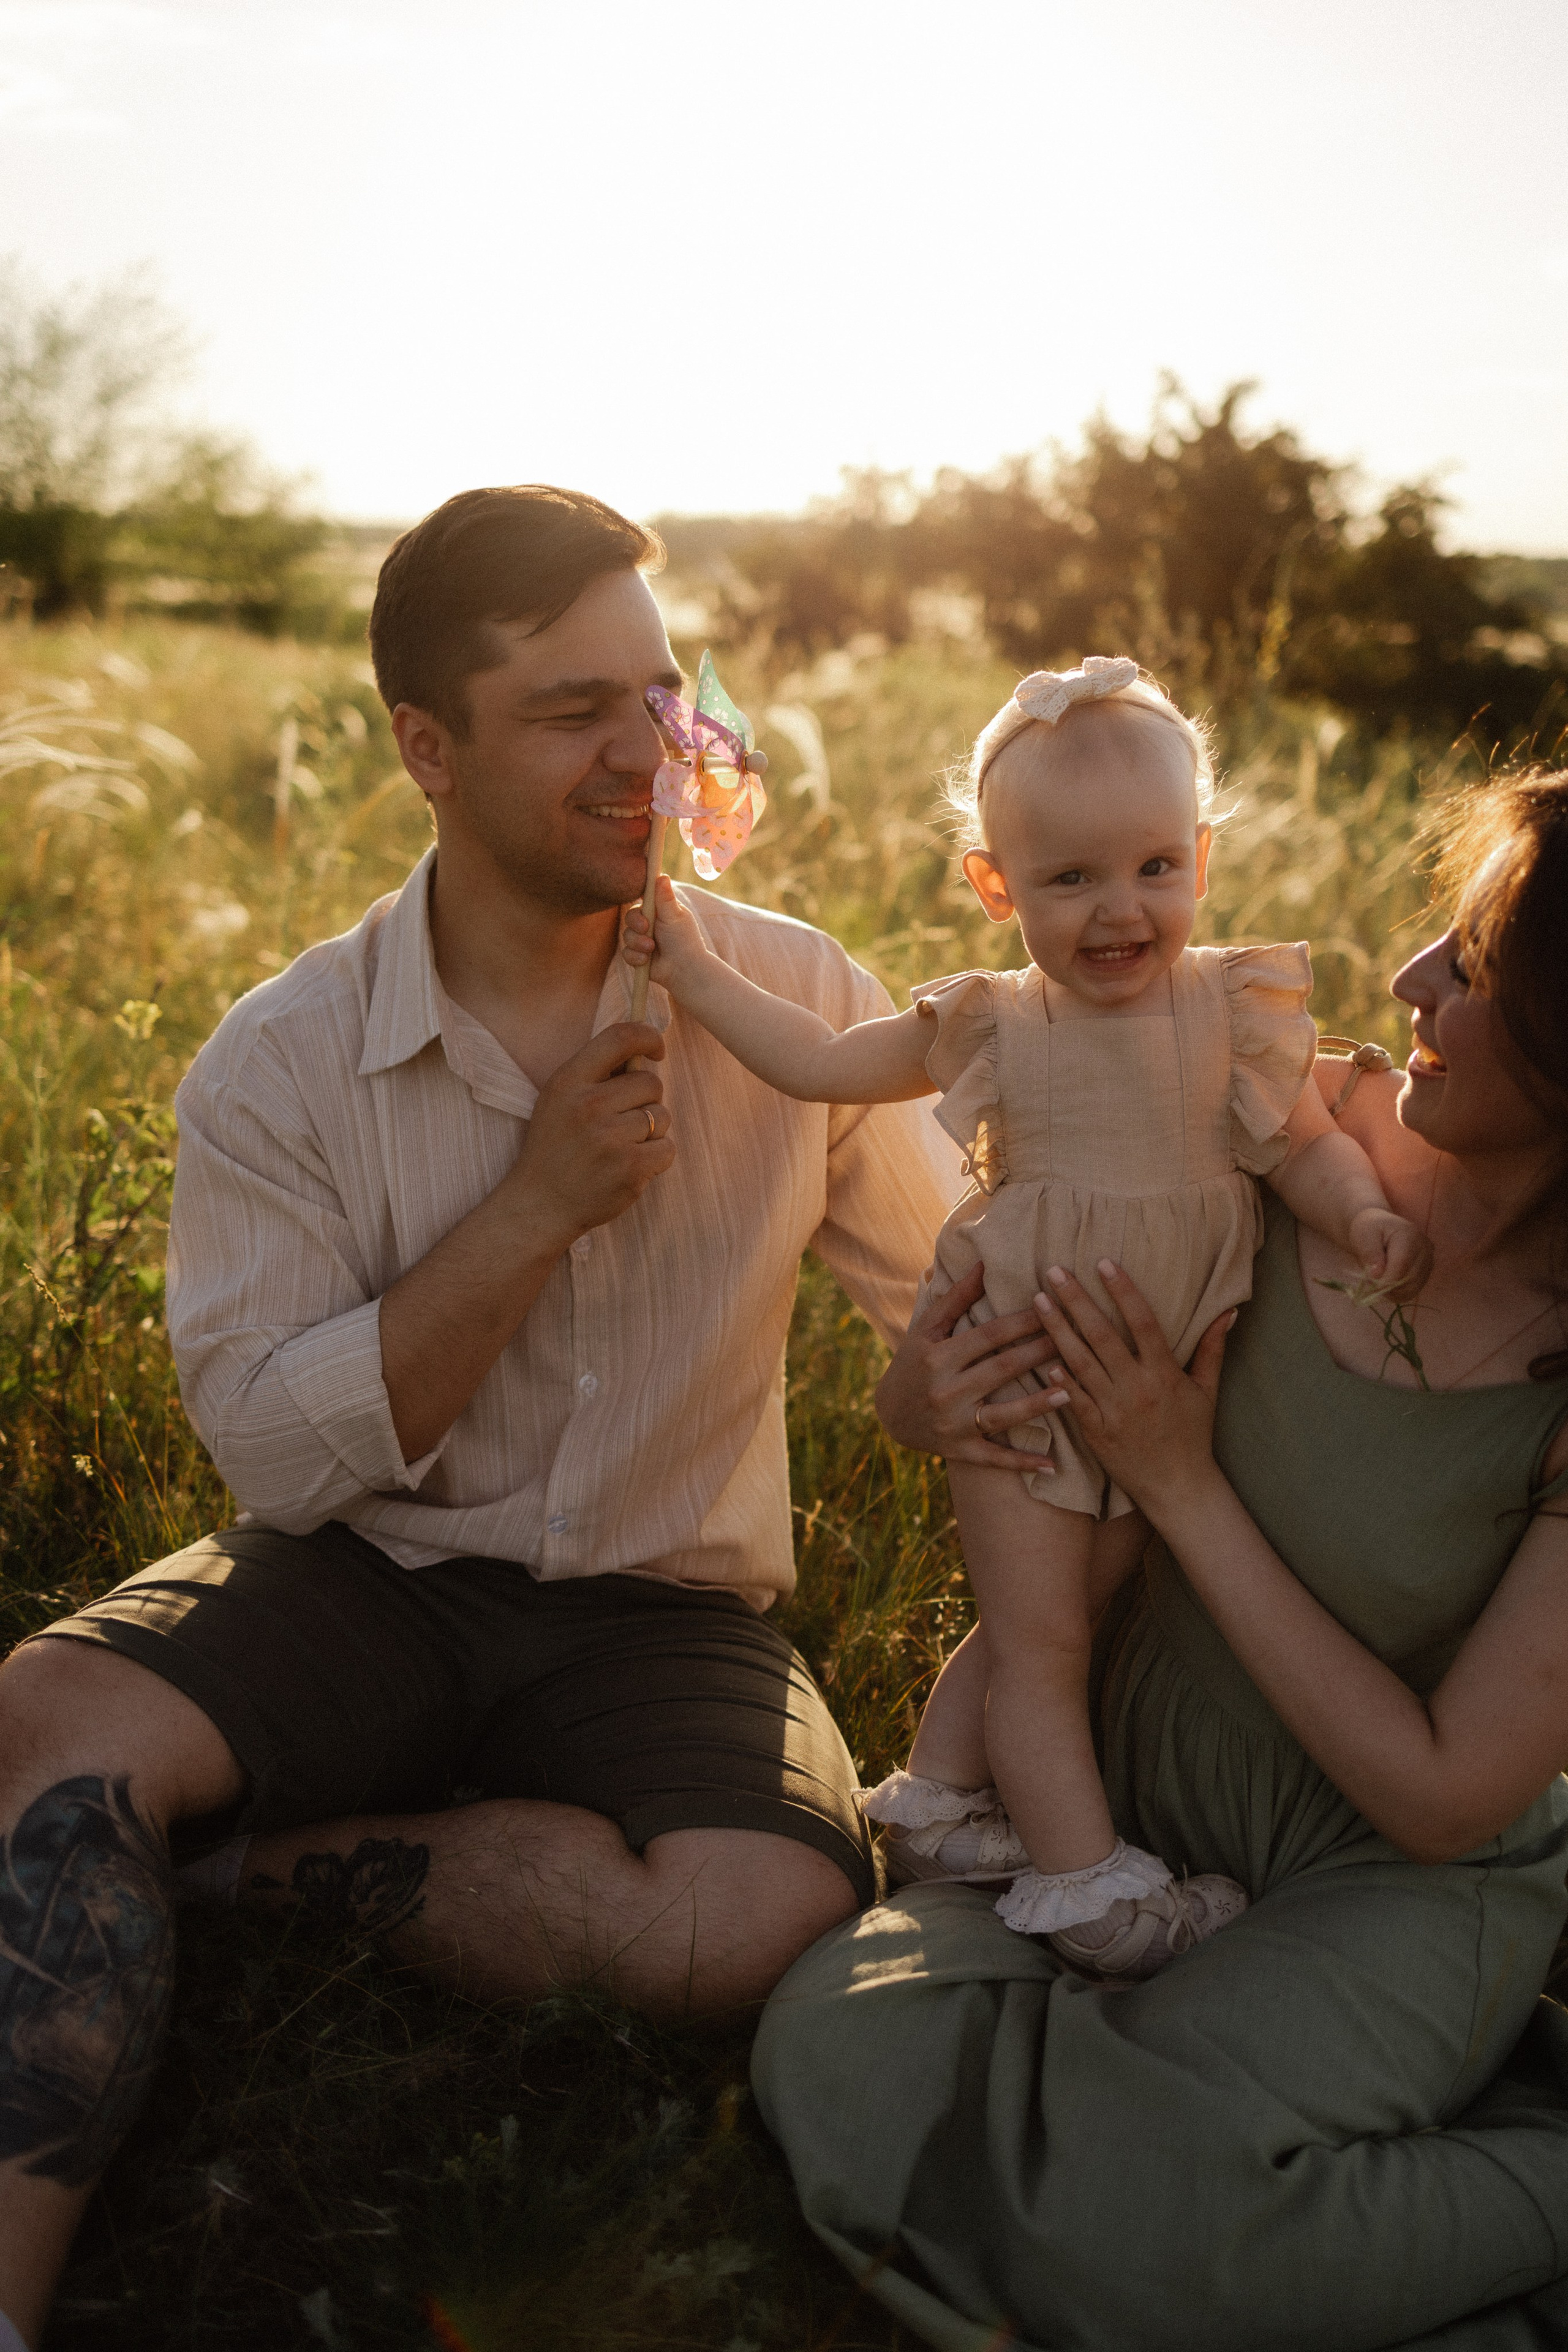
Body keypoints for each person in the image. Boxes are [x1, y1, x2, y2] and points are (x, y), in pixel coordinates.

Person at [0, 485, 961, 2350]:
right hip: (368, 1568)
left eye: (663, 696)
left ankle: (240, 1869)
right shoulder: (281, 1063)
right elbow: (277, 1464)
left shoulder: (800, 1000)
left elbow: (951, 1301)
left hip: (667, 1605)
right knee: (46, 1723)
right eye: (574, 709)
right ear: (423, 748)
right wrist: (530, 1208)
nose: (648, 754)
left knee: (761, 1910)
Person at [752, 763, 1568, 2352]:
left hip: (1382, 1879)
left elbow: (1446, 1792)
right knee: (829, 2047)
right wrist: (931, 1385)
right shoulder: (1285, 1117)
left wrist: (1185, 1485)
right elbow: (993, 1371)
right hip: (1119, 1796)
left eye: (1467, 965)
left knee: (1144, 2208)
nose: (1405, 979)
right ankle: (1233, 2165)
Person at [622, 655, 1430, 1975]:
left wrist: (1359, 1218)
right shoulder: (993, 1021)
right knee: (1046, 1639)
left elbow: (1300, 1148)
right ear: (993, 884)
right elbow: (823, 1065)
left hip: (1159, 1383)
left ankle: (939, 1805)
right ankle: (1087, 1891)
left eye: (1153, 868)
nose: (1120, 911)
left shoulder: (1230, 1007)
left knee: (1066, 1608)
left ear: (1200, 860)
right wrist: (698, 976)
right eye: (1069, 880)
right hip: (1024, 1362)